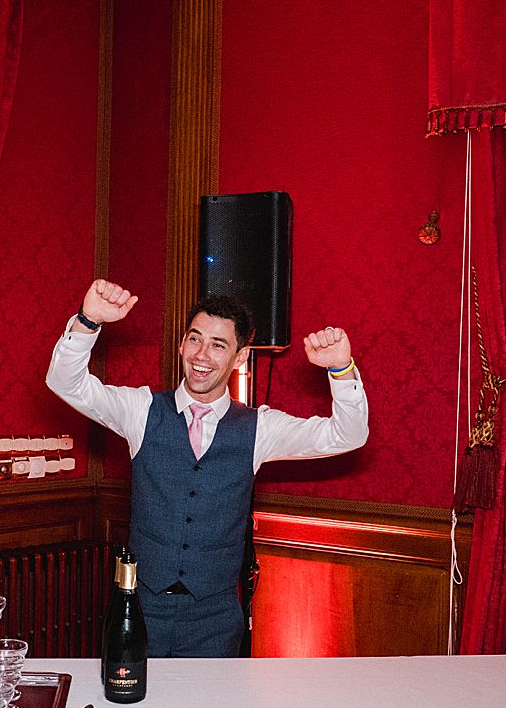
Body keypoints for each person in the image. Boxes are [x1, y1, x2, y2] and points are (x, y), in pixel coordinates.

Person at [46, 279, 368, 657]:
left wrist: (341, 370)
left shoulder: (260, 428)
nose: (202, 355)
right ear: (182, 343)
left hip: (215, 617)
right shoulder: (140, 410)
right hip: (141, 607)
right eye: (195, 339)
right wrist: (88, 321)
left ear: (239, 357)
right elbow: (65, 382)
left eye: (218, 345)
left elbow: (347, 435)